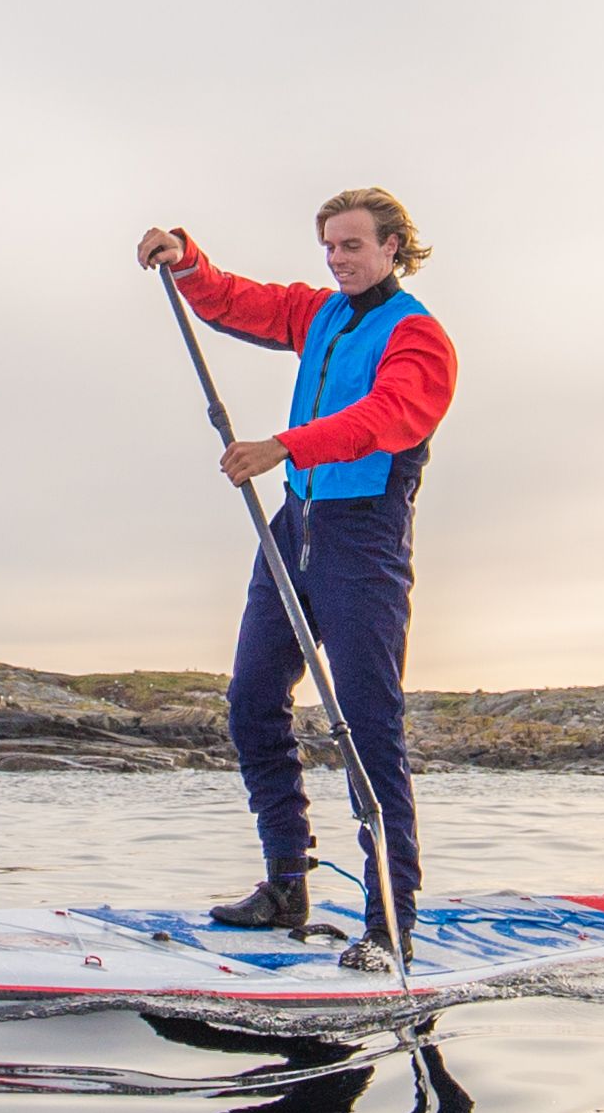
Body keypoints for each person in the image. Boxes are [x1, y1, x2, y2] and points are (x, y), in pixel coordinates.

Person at [136, 191, 455, 956]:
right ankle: (286, 885)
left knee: (369, 725)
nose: (338, 259)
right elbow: (241, 302)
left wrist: (284, 445)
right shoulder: (318, 315)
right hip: (296, 526)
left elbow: (388, 417)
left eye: (351, 245)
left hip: (364, 537)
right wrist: (186, 257)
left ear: (392, 247)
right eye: (329, 248)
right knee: (251, 699)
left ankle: (389, 927)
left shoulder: (419, 338)